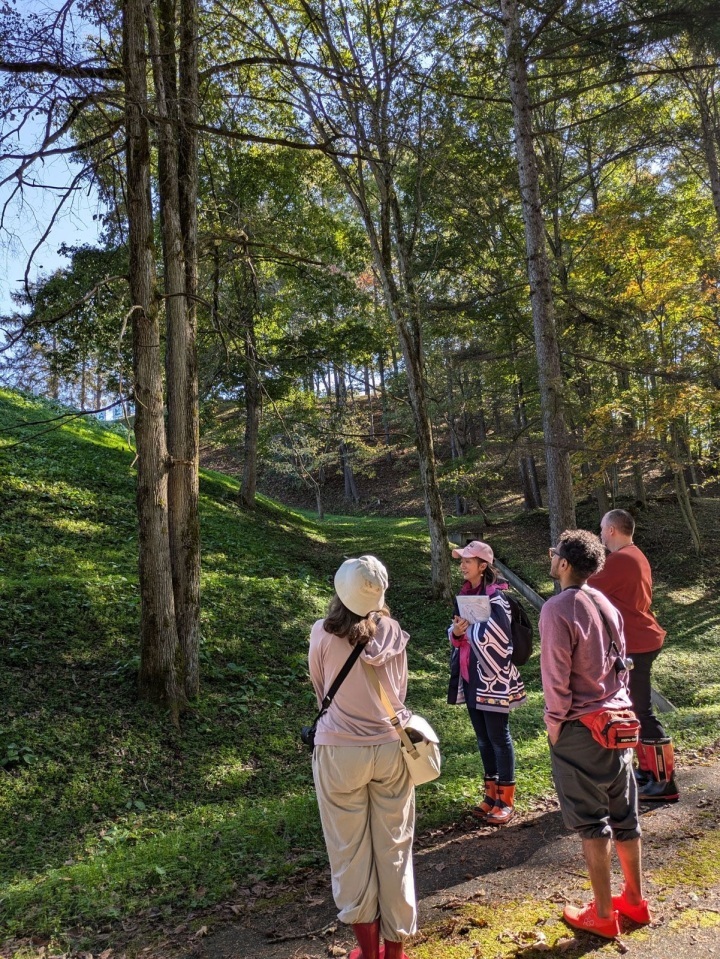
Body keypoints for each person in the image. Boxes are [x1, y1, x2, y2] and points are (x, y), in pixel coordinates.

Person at [540, 529, 651, 939]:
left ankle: (603, 915)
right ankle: (635, 903)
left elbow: (555, 677)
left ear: (565, 564)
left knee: (592, 823)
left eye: (554, 554)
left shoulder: (557, 609)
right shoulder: (605, 603)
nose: (551, 558)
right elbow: (622, 663)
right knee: (625, 815)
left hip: (581, 728)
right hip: (619, 722)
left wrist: (555, 726)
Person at [309, 555, 416, 959]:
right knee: (395, 847)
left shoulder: (322, 632)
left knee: (348, 853)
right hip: (390, 748)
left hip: (338, 751)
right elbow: (399, 693)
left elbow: (321, 691)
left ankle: (367, 952)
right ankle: (396, 951)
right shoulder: (393, 631)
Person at [588, 509, 679, 802]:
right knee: (635, 707)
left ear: (612, 530)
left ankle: (663, 780)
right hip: (638, 640)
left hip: (638, 642)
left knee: (641, 710)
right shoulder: (632, 555)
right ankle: (648, 770)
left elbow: (584, 585)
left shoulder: (622, 560)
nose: (600, 534)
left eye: (602, 529)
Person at [447, 541, 526, 825]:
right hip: (471, 678)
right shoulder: (465, 596)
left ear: (483, 566)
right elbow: (458, 636)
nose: (463, 565)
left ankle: (506, 798)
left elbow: (501, 640)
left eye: (468, 561)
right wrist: (456, 632)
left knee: (498, 738)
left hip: (493, 681)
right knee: (482, 740)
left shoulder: (497, 599)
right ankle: (491, 795)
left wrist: (469, 632)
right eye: (462, 561)